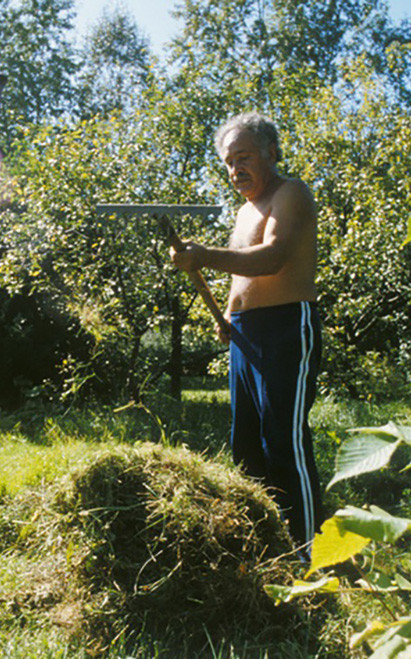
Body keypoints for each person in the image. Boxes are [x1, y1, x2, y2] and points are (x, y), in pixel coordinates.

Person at [170, 112, 322, 558]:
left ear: (271, 153)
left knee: (284, 439)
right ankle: (266, 546)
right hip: (245, 334)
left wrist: (203, 255)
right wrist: (229, 317)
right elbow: (243, 276)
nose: (236, 170)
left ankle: (310, 553)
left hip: (286, 327)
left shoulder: (291, 193)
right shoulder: (243, 211)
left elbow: (271, 258)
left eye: (244, 157)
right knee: (246, 443)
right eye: (228, 163)